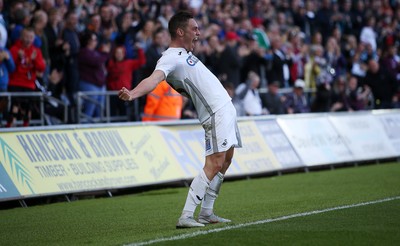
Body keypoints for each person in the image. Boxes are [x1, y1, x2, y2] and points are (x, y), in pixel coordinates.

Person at [119, 11, 242, 228]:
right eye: (194, 29)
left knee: (226, 160)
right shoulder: (169, 58)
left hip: (226, 108)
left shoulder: (184, 54)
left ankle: (206, 212)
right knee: (214, 163)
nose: (198, 33)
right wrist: (133, 93)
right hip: (215, 113)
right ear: (180, 31)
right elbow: (153, 79)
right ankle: (185, 216)